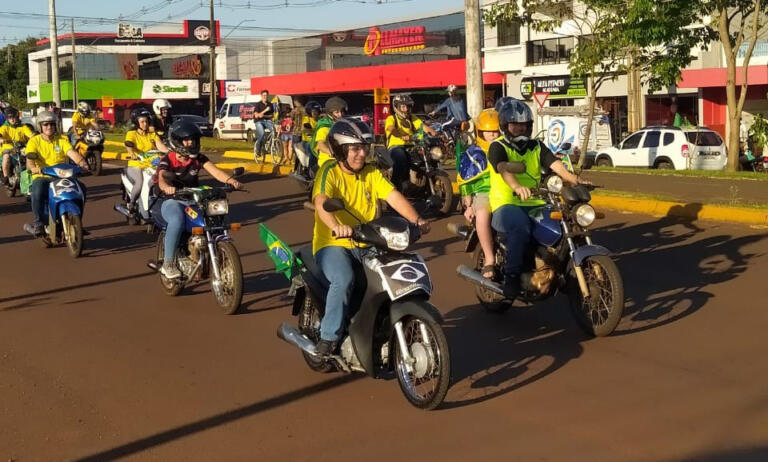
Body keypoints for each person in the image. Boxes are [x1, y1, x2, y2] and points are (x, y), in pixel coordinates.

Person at [311, 118, 430, 356]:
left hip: (369, 240)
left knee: (390, 274)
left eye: (364, 147)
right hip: (334, 243)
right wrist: (336, 225)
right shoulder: (329, 171)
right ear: (341, 150)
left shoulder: (372, 172)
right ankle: (329, 336)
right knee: (344, 279)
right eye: (355, 148)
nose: (361, 153)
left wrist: (416, 220)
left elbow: (393, 196)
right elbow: (321, 202)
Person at [488, 99, 588, 299]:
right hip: (506, 203)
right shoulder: (497, 146)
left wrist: (575, 179)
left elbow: (555, 164)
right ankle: (512, 276)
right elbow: (503, 168)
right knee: (521, 227)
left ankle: (555, 270)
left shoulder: (536, 146)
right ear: (505, 126)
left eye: (524, 124)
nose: (520, 128)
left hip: (536, 202)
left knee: (563, 224)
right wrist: (516, 186)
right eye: (515, 124)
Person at [155, 120, 242, 279]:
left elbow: (216, 172)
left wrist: (231, 181)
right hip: (172, 200)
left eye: (194, 140)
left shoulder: (198, 158)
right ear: (177, 141)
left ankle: (212, 253)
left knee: (214, 219)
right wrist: (167, 187)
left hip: (194, 200)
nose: (192, 143)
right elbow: (161, 178)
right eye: (187, 140)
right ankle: (168, 264)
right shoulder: (168, 159)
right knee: (177, 220)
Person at [23, 111, 90, 236]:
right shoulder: (34, 141)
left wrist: (82, 163)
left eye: (52, 124)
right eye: (46, 124)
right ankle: (39, 223)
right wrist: (33, 168)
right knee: (37, 191)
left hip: (61, 175)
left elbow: (71, 152)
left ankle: (78, 222)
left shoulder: (61, 139)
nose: (49, 127)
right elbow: (30, 160)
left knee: (81, 188)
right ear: (40, 126)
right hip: (43, 176)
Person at [457, 108, 500, 279]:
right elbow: (466, 182)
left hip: (506, 191)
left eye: (495, 131)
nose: (493, 135)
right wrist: (468, 206)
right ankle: (489, 259)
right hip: (484, 193)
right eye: (488, 132)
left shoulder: (507, 148)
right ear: (479, 132)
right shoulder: (473, 153)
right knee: (482, 215)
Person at [384, 93, 436, 192]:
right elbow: (391, 129)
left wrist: (434, 133)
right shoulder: (391, 118)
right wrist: (400, 135)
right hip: (396, 146)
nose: (406, 109)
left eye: (408, 106)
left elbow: (423, 127)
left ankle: (422, 187)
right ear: (396, 107)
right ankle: (395, 187)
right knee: (401, 157)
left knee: (429, 157)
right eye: (403, 106)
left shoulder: (412, 118)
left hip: (412, 146)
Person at [124, 108, 168, 212]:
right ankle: (132, 203)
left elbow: (161, 146)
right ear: (136, 123)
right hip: (136, 164)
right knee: (139, 183)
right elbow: (128, 144)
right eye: (142, 122)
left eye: (147, 121)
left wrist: (171, 152)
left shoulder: (152, 135)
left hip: (152, 164)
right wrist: (131, 153)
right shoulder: (131, 134)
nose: (145, 124)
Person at [1, 107, 35, 185]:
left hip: (22, 147)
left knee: (31, 156)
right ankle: (6, 177)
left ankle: (31, 174)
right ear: (7, 119)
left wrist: (34, 136)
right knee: (6, 157)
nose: (12, 119)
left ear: (17, 117)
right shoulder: (4, 127)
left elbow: (30, 134)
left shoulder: (23, 126)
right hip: (8, 147)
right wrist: (2, 139)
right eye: (10, 118)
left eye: (14, 117)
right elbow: (1, 134)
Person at [312, 96, 348, 169]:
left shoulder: (342, 124)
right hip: (328, 161)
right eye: (337, 112)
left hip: (342, 159)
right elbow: (320, 144)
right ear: (330, 113)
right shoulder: (324, 127)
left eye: (342, 112)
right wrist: (332, 153)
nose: (340, 115)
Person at [252, 89, 275, 159]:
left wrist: (264, 115)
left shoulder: (270, 104)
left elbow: (272, 115)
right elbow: (256, 115)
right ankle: (258, 150)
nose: (265, 97)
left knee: (274, 131)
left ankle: (270, 146)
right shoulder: (258, 104)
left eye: (266, 95)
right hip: (258, 121)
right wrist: (261, 113)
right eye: (263, 95)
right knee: (261, 134)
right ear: (261, 96)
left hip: (267, 121)